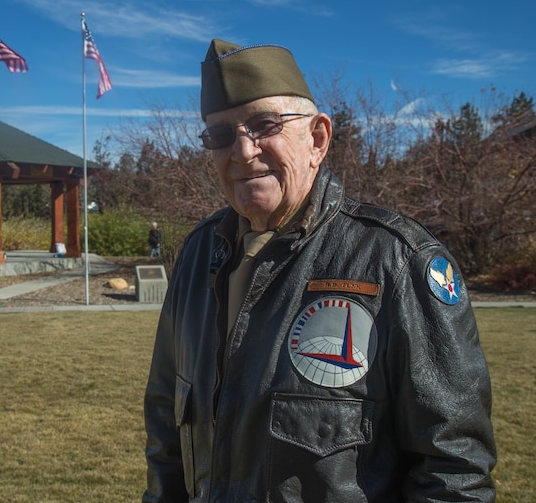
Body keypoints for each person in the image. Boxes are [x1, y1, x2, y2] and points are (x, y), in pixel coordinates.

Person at [142, 39, 496, 502]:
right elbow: (168, 428)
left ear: (317, 138)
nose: (242, 152)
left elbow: (453, 469)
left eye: (265, 125)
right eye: (221, 135)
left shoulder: (395, 260)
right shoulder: (195, 256)